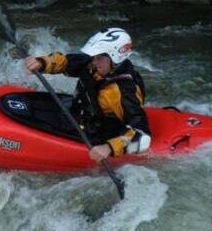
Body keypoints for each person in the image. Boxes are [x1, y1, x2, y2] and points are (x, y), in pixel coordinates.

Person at [19, 27, 151, 163]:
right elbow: (65, 62)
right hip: (77, 114)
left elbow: (142, 136)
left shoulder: (122, 91)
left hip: (96, 133)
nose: (94, 61)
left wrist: (108, 148)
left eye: (99, 57)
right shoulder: (95, 66)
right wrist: (41, 63)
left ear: (115, 58)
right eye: (95, 56)